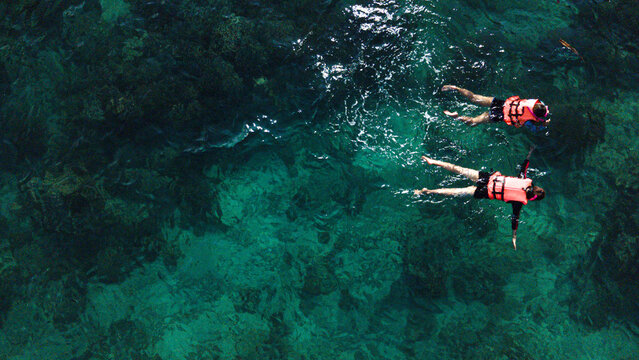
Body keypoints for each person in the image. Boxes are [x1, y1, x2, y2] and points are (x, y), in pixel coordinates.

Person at [414, 147, 544, 249]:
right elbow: (515, 219)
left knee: (459, 170)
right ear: (532, 199)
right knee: (455, 192)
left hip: (487, 177)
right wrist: (514, 237)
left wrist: (530, 153)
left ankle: (433, 161)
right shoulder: (518, 203)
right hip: (484, 191)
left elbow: (523, 167)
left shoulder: (523, 180)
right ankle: (427, 191)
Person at [441, 85, 551, 133]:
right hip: (499, 115)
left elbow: (542, 105)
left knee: (474, 97)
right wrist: (543, 126)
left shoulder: (533, 102)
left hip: (502, 103)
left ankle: (456, 88)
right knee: (474, 121)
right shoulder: (528, 120)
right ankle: (457, 116)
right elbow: (533, 129)